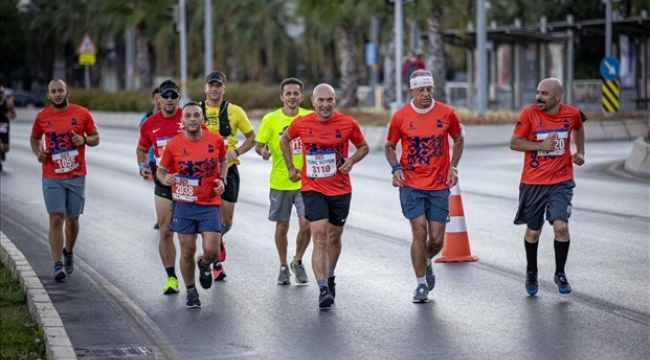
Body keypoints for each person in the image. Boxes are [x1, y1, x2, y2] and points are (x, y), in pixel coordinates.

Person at [280, 83, 369, 309]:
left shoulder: (348, 123)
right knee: (319, 237)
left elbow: (363, 147)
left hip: (340, 189)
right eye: (321, 100)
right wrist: (291, 167)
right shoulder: (302, 122)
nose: (325, 104)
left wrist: (351, 161)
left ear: (335, 100)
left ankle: (330, 277)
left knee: (334, 238)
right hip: (312, 187)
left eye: (329, 100)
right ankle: (322, 289)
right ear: (313, 102)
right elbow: (285, 139)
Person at [384, 69, 465, 304]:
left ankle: (426, 260)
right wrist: (396, 168)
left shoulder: (447, 113)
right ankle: (420, 284)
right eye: (421, 89)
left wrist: (454, 167)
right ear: (412, 91)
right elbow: (389, 146)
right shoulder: (401, 116)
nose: (426, 94)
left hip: (439, 183)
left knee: (437, 240)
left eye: (429, 89)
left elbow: (458, 139)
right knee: (419, 231)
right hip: (411, 183)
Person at [509, 77, 585, 296]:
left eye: (544, 93)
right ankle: (531, 271)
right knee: (533, 232)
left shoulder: (572, 113)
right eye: (537, 92)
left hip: (561, 181)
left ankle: (560, 273)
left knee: (561, 226)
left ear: (558, 96)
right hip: (533, 182)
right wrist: (540, 145)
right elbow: (514, 142)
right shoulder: (530, 114)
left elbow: (579, 126)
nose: (538, 97)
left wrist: (580, 151)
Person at [157, 102, 228, 308]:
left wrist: (222, 180)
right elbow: (161, 170)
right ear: (182, 121)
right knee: (187, 250)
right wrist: (166, 178)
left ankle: (204, 264)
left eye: (197, 115)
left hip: (208, 203)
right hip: (184, 204)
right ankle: (190, 291)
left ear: (202, 119)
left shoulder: (215, 140)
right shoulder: (173, 145)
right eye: (188, 116)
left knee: (212, 250)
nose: (193, 119)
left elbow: (223, 161)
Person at [29, 79, 100, 281]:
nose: (58, 94)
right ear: (48, 95)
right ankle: (57, 263)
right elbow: (34, 138)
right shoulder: (43, 117)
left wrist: (84, 139)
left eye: (61, 90)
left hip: (76, 174)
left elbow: (96, 137)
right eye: (53, 91)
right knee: (56, 217)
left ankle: (68, 251)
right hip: (52, 175)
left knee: (72, 220)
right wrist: (38, 152)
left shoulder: (82, 113)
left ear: (67, 92)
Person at [254, 77, 312, 285]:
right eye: (288, 93)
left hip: (306, 181)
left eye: (296, 93)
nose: (292, 97)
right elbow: (258, 144)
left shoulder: (310, 117)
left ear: (301, 97)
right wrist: (264, 151)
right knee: (282, 227)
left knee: (307, 225)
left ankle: (297, 260)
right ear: (282, 97)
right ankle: (283, 266)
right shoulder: (271, 120)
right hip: (280, 181)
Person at [202, 71, 256, 281]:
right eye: (211, 85)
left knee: (226, 220)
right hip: (202, 171)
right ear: (205, 88)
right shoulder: (197, 110)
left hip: (229, 170)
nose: (214, 89)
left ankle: (215, 243)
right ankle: (213, 261)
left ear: (224, 88)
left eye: (218, 86)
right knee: (207, 218)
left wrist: (237, 151)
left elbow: (252, 137)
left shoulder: (235, 111)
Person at [136, 79, 184, 295]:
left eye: (174, 96)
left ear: (178, 98)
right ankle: (171, 278)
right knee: (165, 231)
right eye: (165, 95)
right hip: (163, 180)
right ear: (158, 98)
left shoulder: (189, 117)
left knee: (188, 235)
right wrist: (143, 166)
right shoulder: (149, 124)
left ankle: (199, 261)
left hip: (189, 182)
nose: (169, 99)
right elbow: (141, 149)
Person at [139, 87, 162, 229]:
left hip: (172, 162)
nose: (160, 101)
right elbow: (142, 143)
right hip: (154, 161)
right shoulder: (147, 117)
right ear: (152, 100)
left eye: (162, 98)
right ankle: (161, 218)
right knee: (160, 190)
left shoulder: (174, 118)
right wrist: (144, 164)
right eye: (157, 98)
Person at [0, 85, 17, 171]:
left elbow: (14, 115)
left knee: (6, 148)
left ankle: (3, 153)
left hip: (4, 128)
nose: (0, 94)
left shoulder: (8, 104)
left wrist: (10, 115)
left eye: (2, 93)